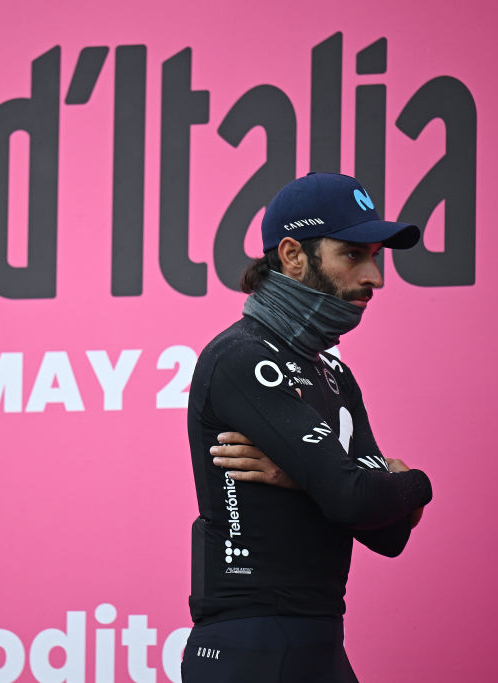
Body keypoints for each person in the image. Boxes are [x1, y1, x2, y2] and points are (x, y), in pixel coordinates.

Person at [181, 172, 433, 682]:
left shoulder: (335, 372)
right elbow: (354, 500)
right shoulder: (241, 356)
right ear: (294, 255)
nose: (376, 277)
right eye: (353, 255)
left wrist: (306, 478)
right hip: (248, 647)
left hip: (319, 645)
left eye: (376, 256)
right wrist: (418, 484)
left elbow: (386, 535)